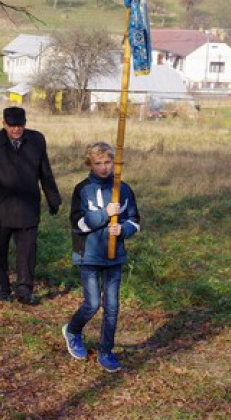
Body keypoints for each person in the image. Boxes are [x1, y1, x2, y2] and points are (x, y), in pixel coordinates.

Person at [62, 141, 140, 373]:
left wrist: (123, 229)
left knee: (112, 306)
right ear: (90, 164)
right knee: (93, 303)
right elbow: (78, 224)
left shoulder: (123, 189)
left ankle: (106, 351)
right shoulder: (82, 189)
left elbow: (135, 221)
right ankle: (73, 330)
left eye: (108, 162)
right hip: (89, 254)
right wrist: (105, 215)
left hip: (114, 256)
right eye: (99, 163)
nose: (104, 168)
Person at [0, 106, 61, 305]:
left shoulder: (37, 140)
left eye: (20, 125)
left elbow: (45, 171)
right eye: (12, 126)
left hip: (28, 205)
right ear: (3, 123)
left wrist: (53, 198)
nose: (16, 130)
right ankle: (2, 288)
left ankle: (24, 289)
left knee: (27, 250)